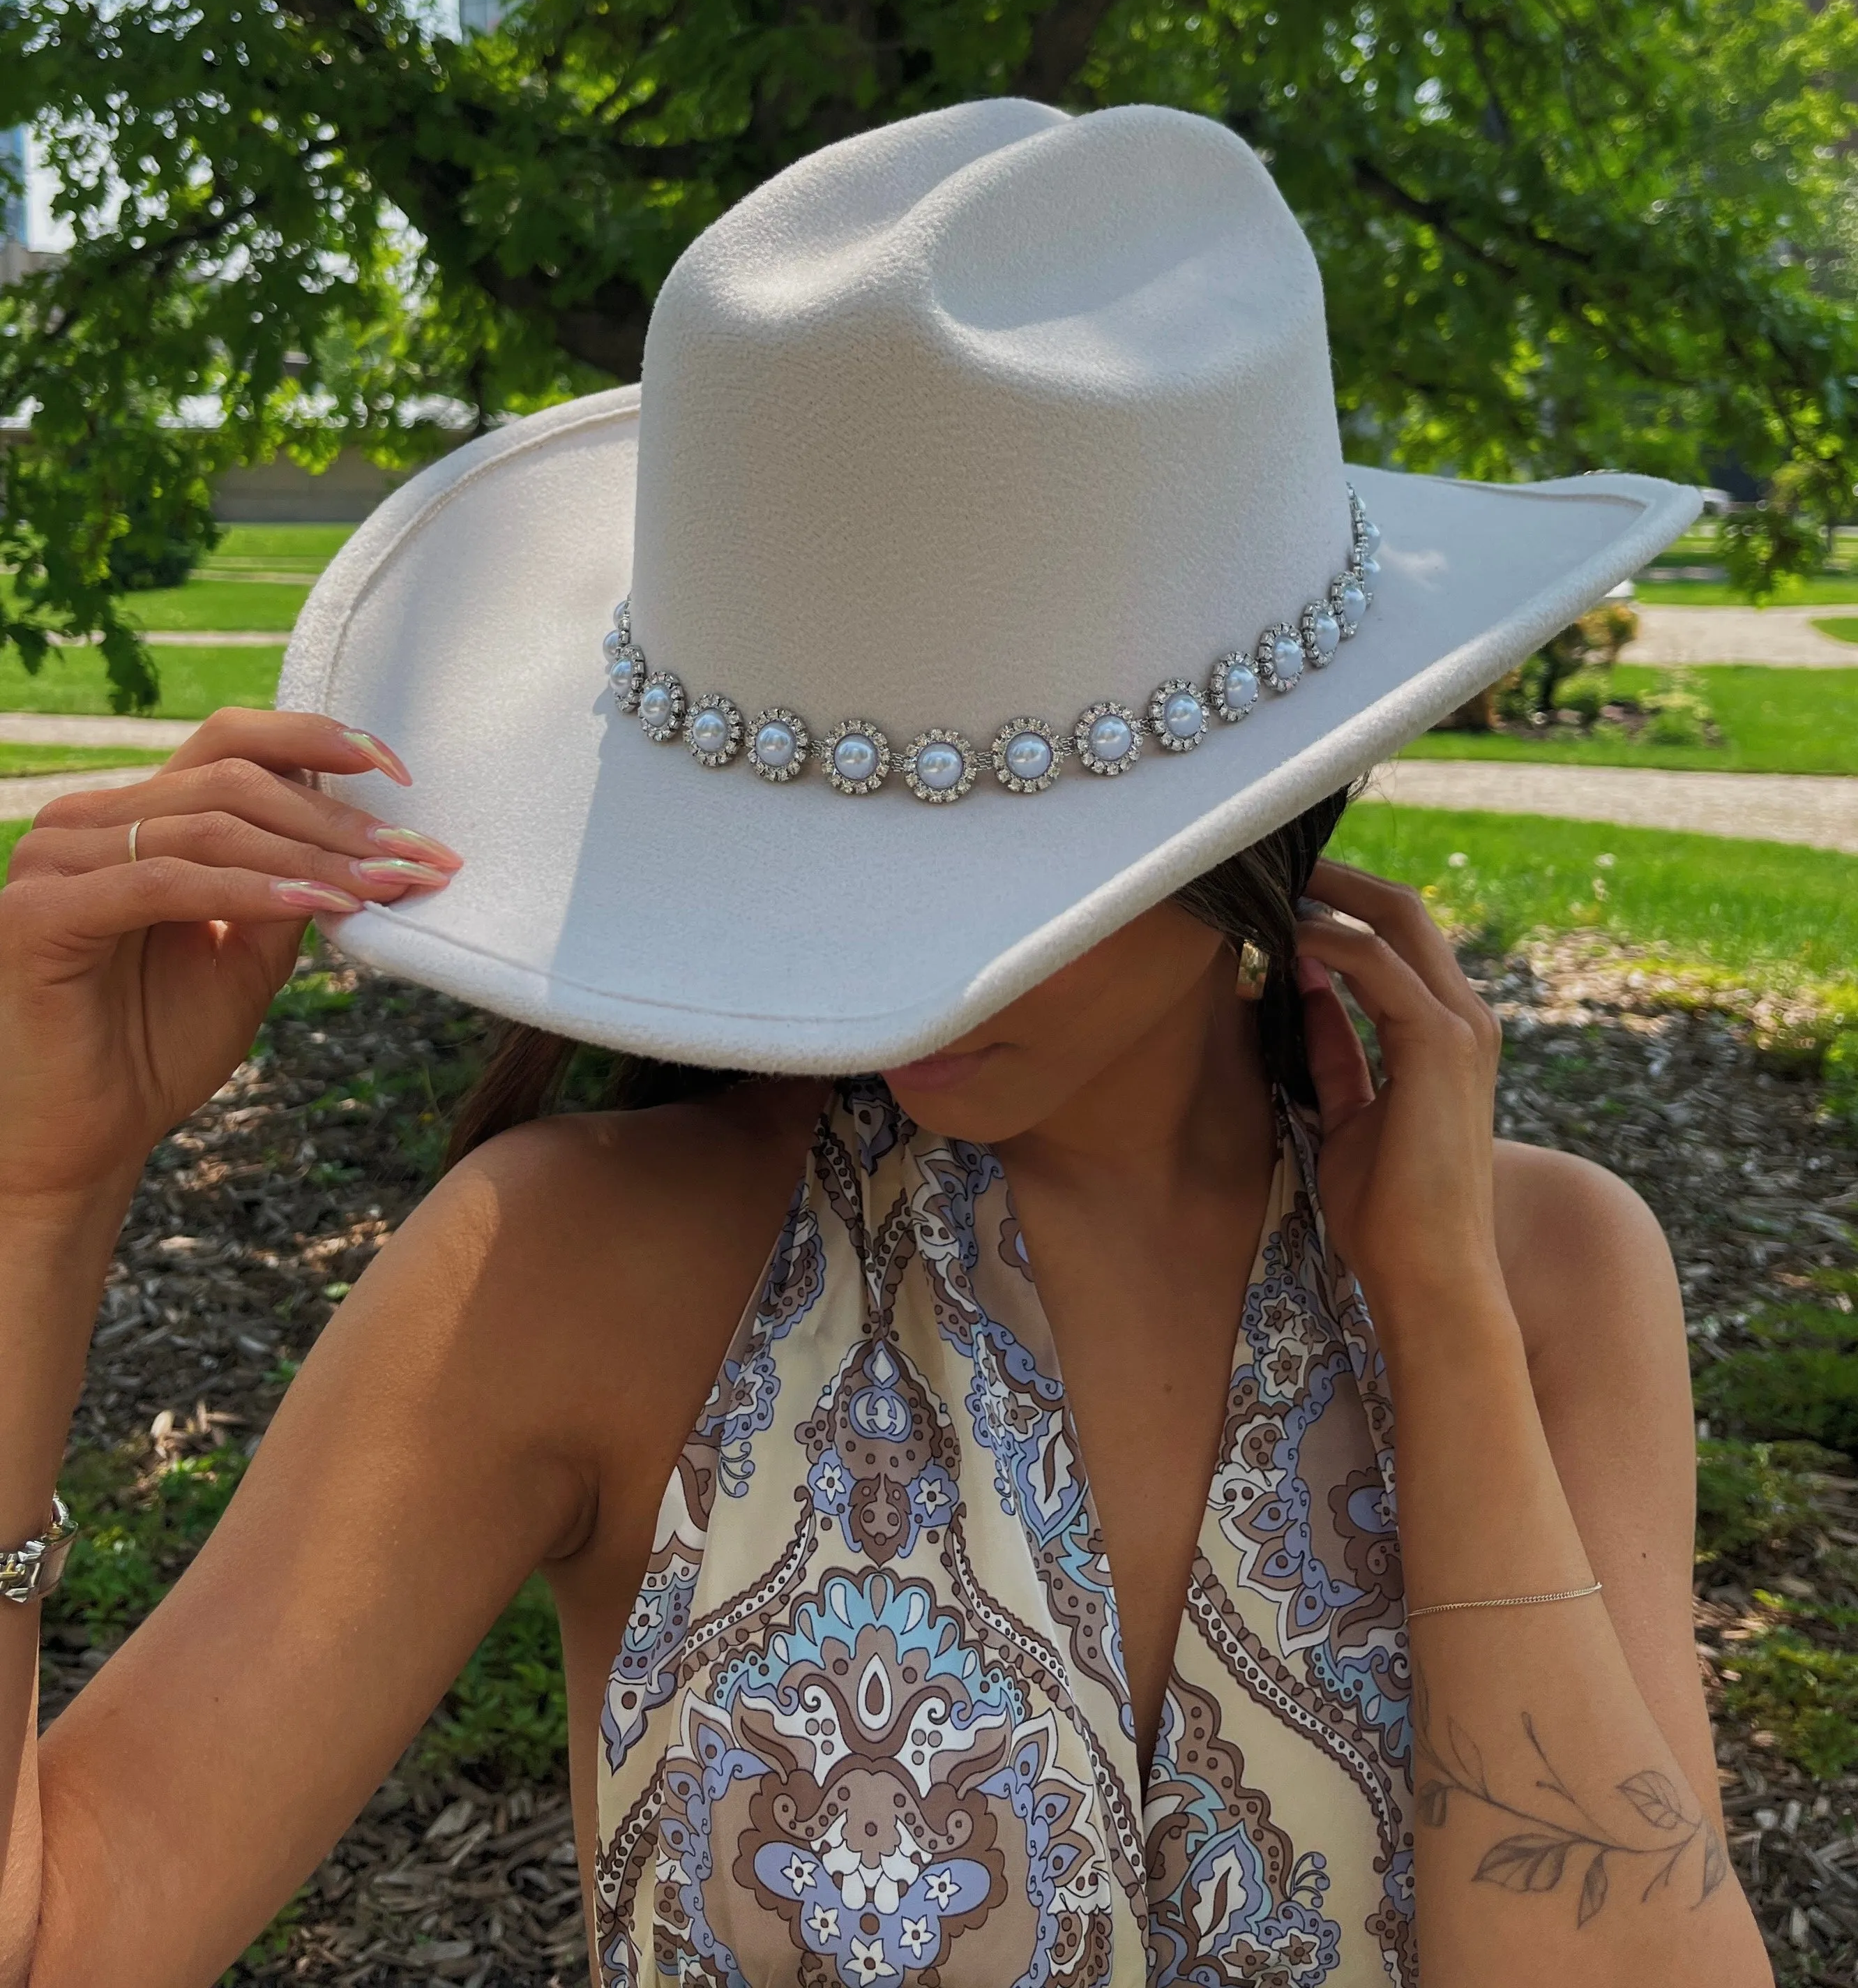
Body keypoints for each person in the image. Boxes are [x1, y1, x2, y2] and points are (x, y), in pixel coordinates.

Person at [0, 103, 1769, 1988]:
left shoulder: (1547, 1276)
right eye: (824, 837)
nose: (898, 953)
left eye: (1028, 856)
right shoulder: (572, 1275)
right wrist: (36, 1195)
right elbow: (62, 1937)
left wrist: (1441, 1323)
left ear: (1269, 807)